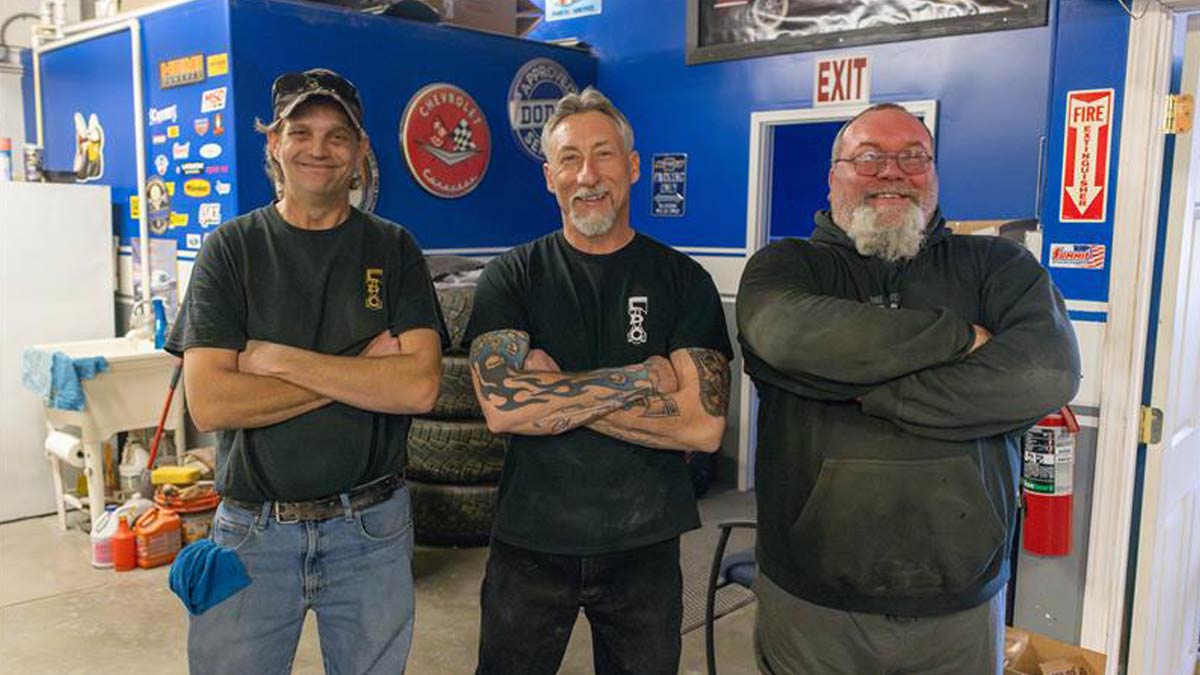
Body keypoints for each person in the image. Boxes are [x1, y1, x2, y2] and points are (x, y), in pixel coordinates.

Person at [736, 102, 1081, 675]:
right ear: (834, 177)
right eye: (869, 157)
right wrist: (959, 338)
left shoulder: (998, 266)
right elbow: (786, 334)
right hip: (812, 597)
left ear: (934, 174)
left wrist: (869, 391)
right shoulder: (786, 266)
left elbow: (1046, 373)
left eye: (913, 157)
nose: (892, 172)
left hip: (961, 600)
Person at [165, 68, 444, 675]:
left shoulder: (394, 248)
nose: (319, 148)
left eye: (337, 135)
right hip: (252, 532)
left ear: (360, 150)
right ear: (274, 143)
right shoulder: (230, 250)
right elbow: (211, 403)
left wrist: (276, 359)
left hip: (372, 530)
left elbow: (419, 386)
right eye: (300, 132)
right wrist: (360, 372)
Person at [463, 87, 734, 675]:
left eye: (604, 154)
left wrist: (554, 393)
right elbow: (504, 409)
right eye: (569, 159)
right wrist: (643, 378)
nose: (588, 175)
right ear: (549, 177)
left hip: (645, 544)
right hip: (531, 541)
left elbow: (703, 427)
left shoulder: (683, 279)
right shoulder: (513, 276)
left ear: (632, 167)